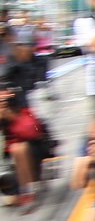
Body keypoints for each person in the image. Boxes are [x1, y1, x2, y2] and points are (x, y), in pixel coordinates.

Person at [0, 85, 51, 213]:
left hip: (34, 151)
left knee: (18, 148)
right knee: (11, 200)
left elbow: (33, 132)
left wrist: (12, 118)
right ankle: (19, 189)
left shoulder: (23, 111)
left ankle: (28, 189)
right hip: (11, 163)